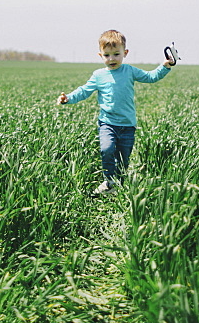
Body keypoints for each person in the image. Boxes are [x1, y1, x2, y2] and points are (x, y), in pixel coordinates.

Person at [57, 29, 176, 197]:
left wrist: (165, 66)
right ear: (100, 55)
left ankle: (117, 186)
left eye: (116, 54)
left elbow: (151, 77)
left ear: (125, 53)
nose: (111, 59)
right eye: (107, 55)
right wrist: (68, 98)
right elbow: (84, 91)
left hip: (128, 125)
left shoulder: (130, 71)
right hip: (107, 123)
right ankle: (108, 181)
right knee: (106, 149)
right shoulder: (98, 75)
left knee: (123, 159)